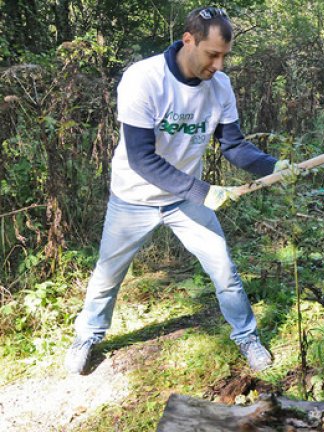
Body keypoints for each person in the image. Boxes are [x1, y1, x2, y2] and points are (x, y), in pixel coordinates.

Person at [64, 7, 285, 375]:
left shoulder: (221, 87)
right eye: (212, 54)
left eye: (224, 56)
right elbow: (141, 158)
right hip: (133, 197)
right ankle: (88, 335)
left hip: (184, 199)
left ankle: (246, 336)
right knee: (107, 274)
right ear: (188, 40)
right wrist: (202, 190)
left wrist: (274, 167)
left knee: (223, 269)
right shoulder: (143, 79)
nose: (218, 65)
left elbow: (234, 146)